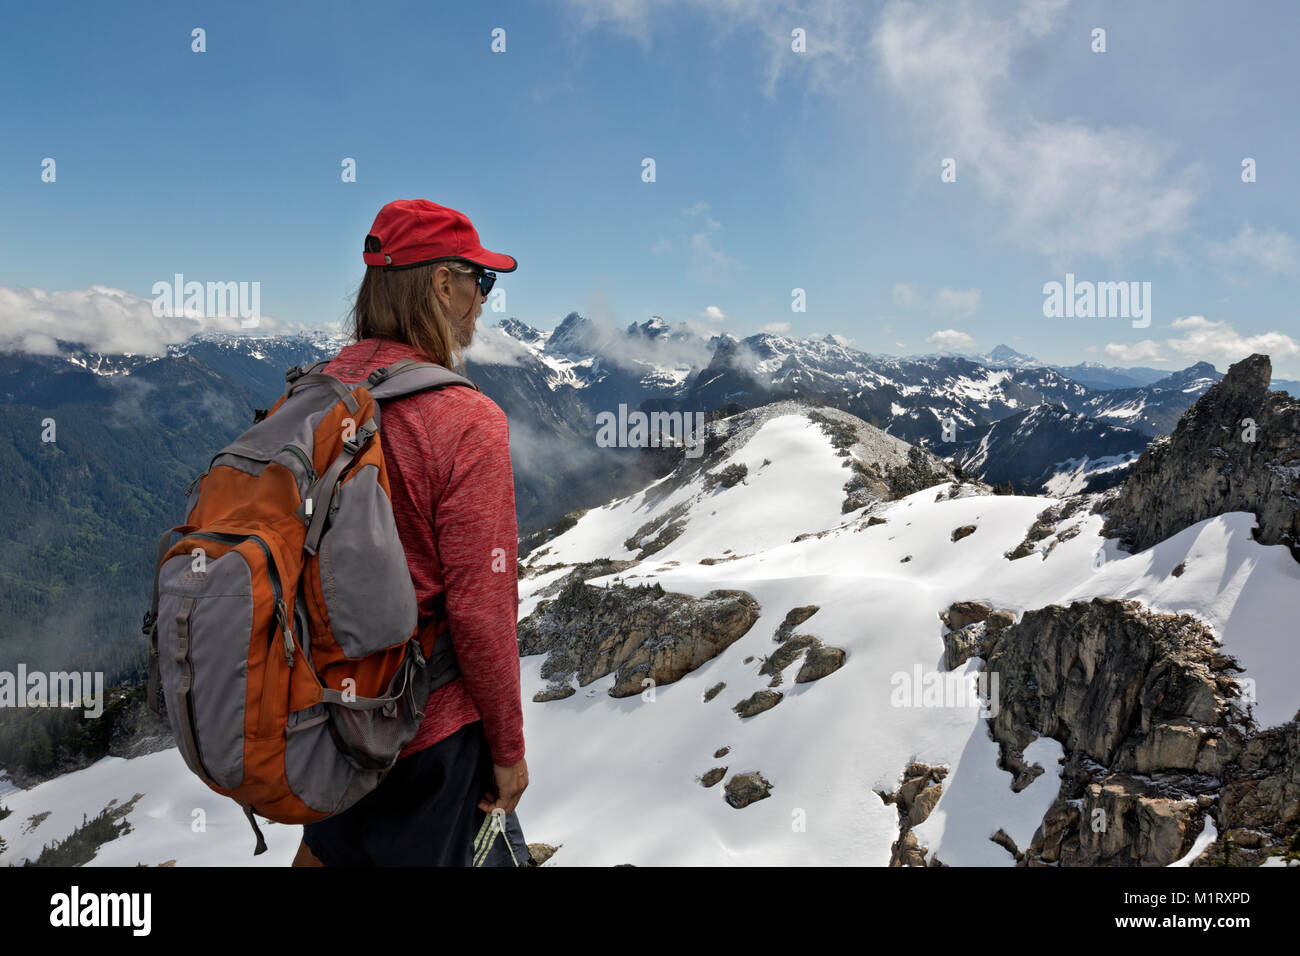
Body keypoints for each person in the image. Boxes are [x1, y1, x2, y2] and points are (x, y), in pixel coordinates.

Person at [292, 199, 531, 867]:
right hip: (428, 734)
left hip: (323, 716)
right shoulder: (466, 420)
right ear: (441, 284)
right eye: (480, 282)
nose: (484, 302)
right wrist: (508, 753)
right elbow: (482, 612)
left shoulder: (310, 396)